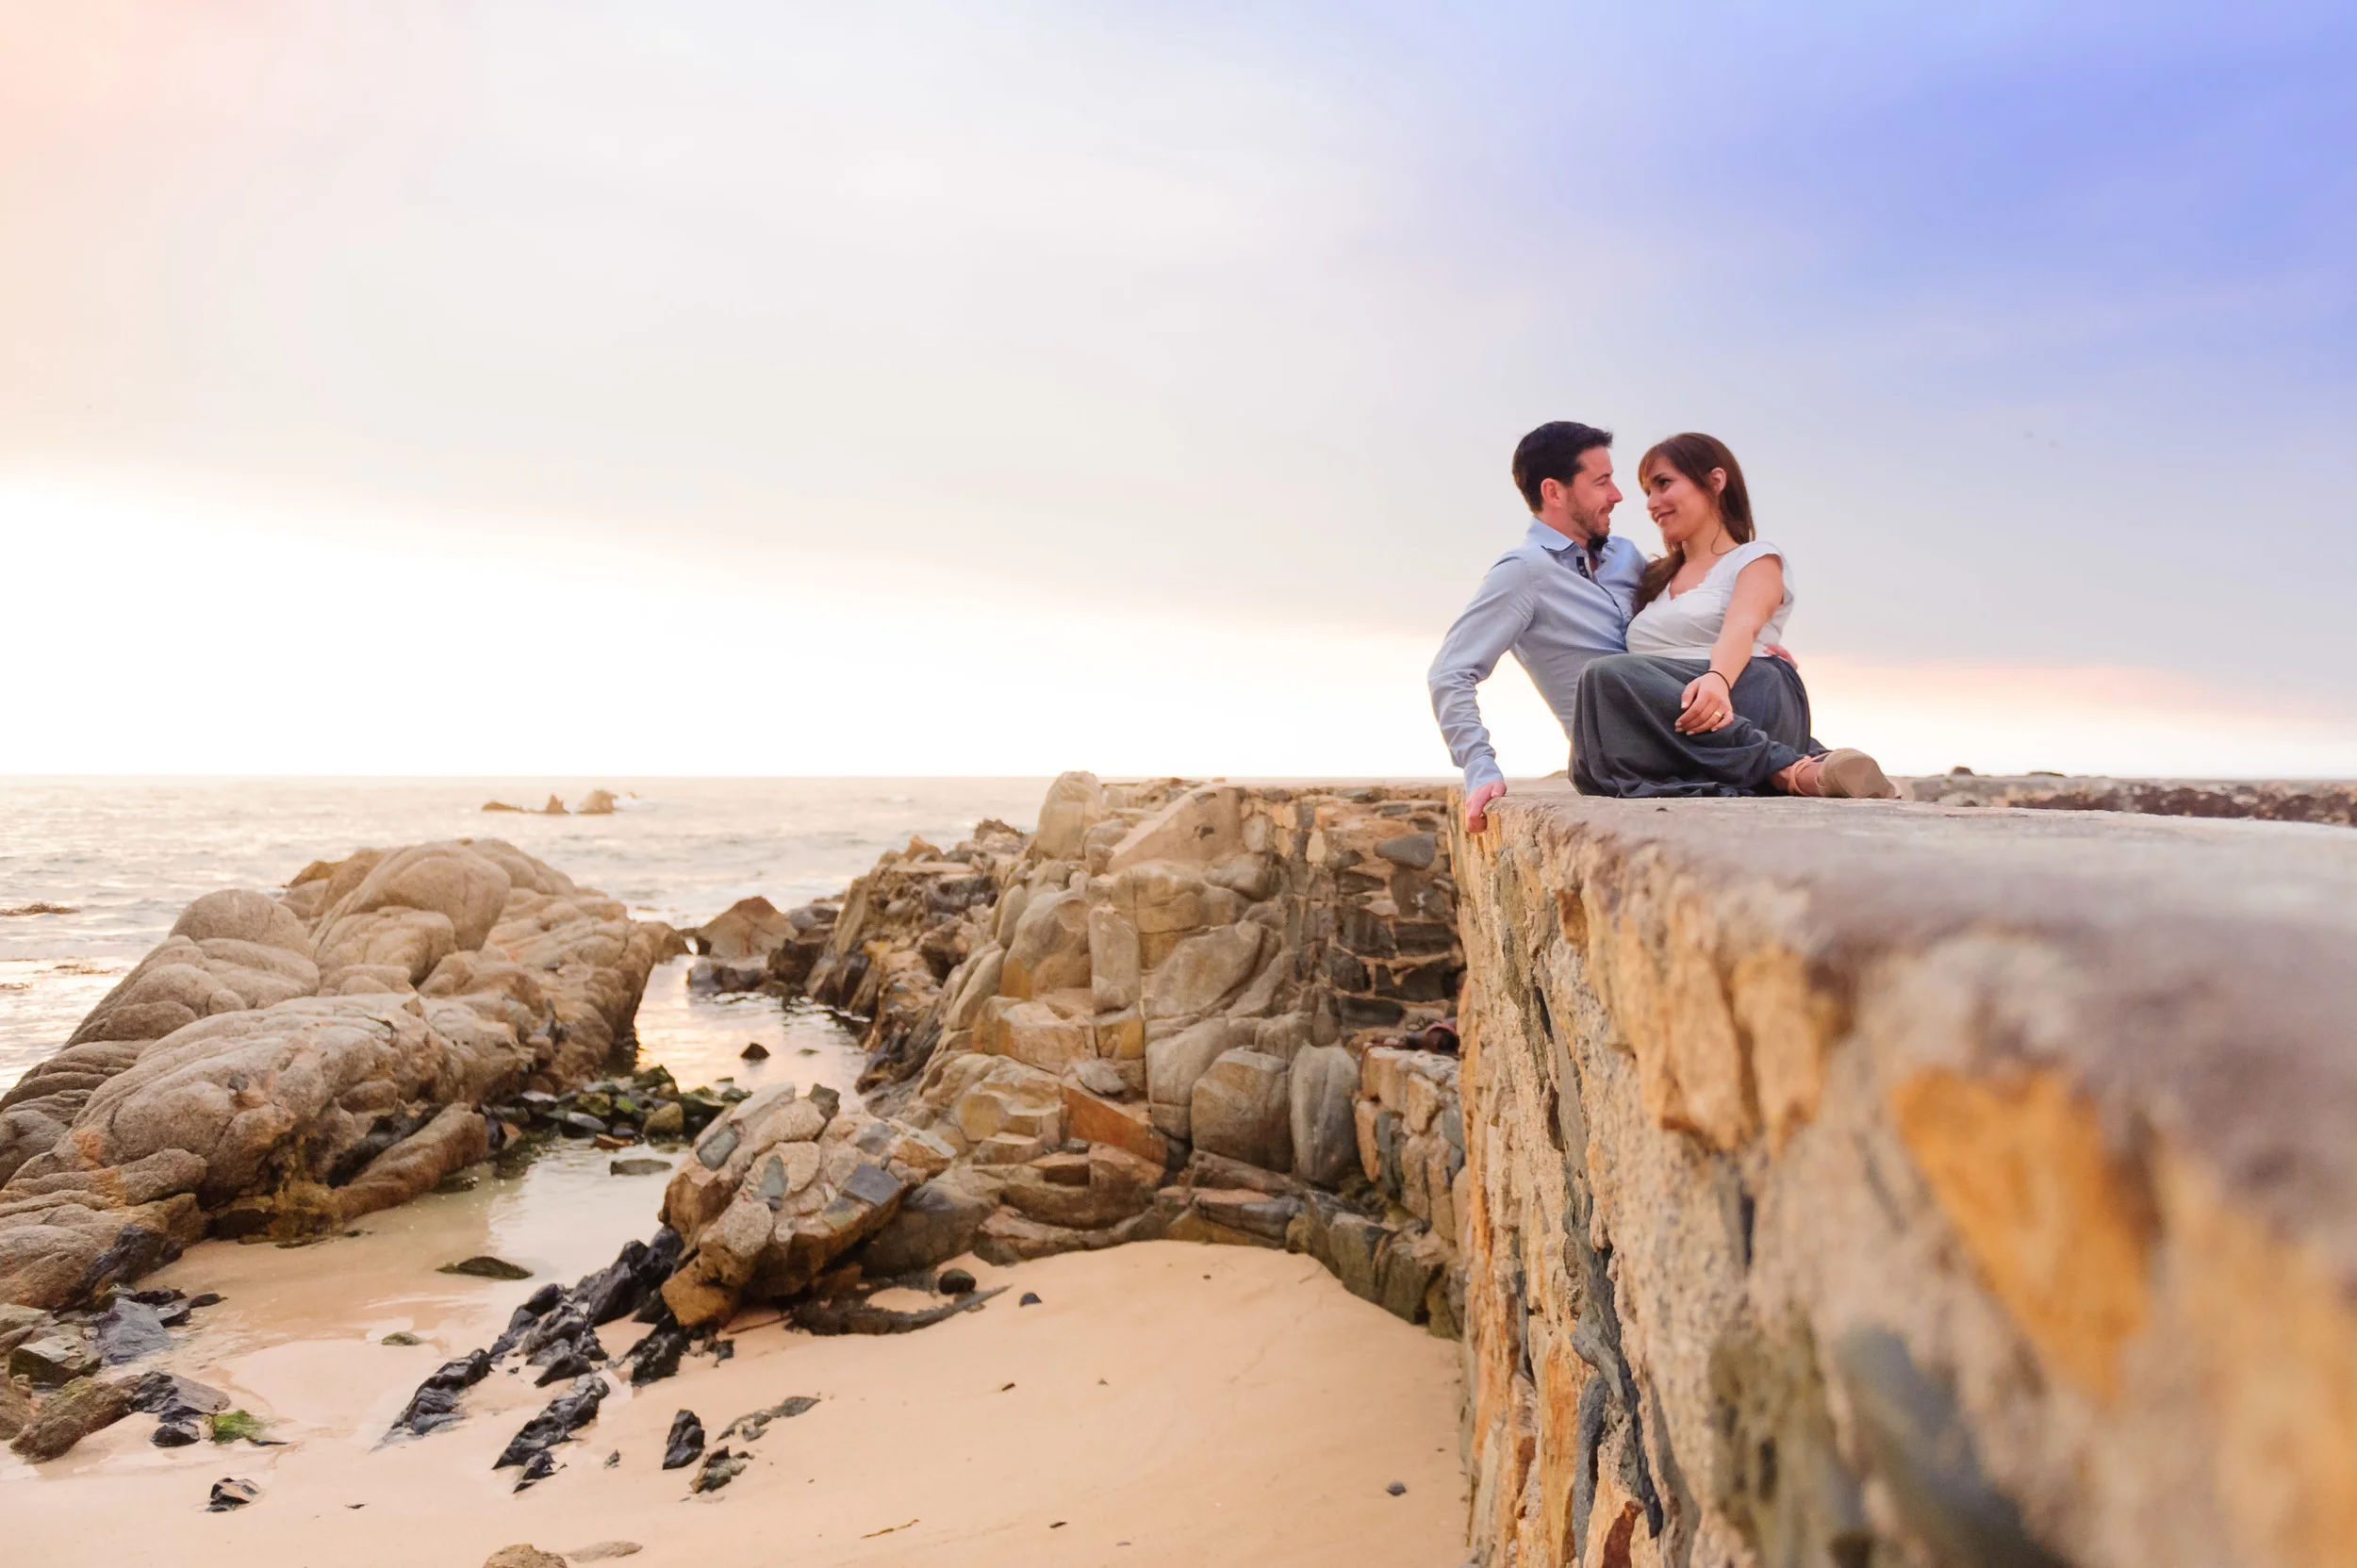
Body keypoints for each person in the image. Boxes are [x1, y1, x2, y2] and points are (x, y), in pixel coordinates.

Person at [1569, 432, 1894, 800]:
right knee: (1594, 752)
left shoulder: (1755, 558)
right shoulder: (1655, 580)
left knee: (1604, 674)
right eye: (1648, 492)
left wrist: (1717, 677)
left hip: (1740, 688)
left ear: (1715, 481)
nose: (1652, 503)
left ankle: (1790, 769)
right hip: (1679, 712)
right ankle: (1804, 766)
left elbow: (1742, 625)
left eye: (1663, 484)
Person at [1426, 421, 1645, 833]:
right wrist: (1480, 766)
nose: (1617, 495)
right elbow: (1449, 673)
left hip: (1685, 721)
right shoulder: (1523, 573)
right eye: (1601, 482)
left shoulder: (1627, 556)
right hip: (1622, 763)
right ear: (1553, 492)